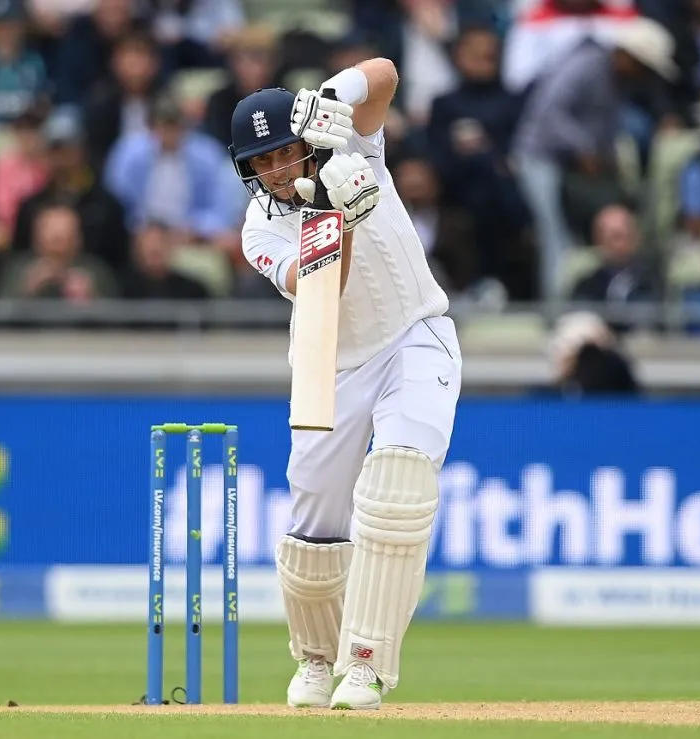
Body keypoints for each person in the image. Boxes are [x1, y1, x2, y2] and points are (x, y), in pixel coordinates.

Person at [227, 59, 461, 710]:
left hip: (414, 333)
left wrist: (334, 95)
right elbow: (320, 285)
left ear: (304, 138)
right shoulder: (260, 228)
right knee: (312, 529)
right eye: (260, 162)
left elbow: (385, 73)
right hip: (328, 358)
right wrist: (340, 215)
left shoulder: (349, 140)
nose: (274, 170)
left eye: (282, 153)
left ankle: (365, 666)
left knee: (396, 490)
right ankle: (315, 658)